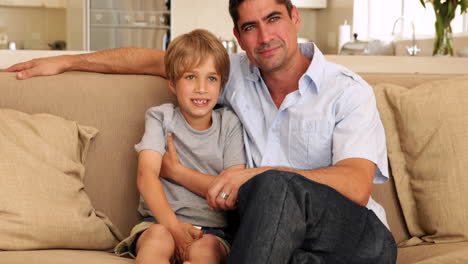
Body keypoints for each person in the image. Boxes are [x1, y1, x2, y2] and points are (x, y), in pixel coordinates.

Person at [4, 0, 397, 263]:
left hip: (353, 237)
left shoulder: (346, 90)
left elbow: (355, 185)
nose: (264, 37)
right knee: (260, 217)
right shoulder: (231, 77)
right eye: (250, 26)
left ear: (295, 18)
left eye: (273, 18)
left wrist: (259, 175)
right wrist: (67, 61)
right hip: (279, 243)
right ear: (239, 36)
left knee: (270, 187)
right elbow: (150, 61)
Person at [113, 29, 246, 264]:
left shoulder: (230, 124)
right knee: (157, 239)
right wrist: (173, 227)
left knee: (204, 250)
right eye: (191, 77)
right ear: (173, 84)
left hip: (210, 232)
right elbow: (146, 176)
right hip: (158, 222)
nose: (201, 88)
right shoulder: (160, 118)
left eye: (211, 78)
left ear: (221, 85)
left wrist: (178, 172)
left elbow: (231, 192)